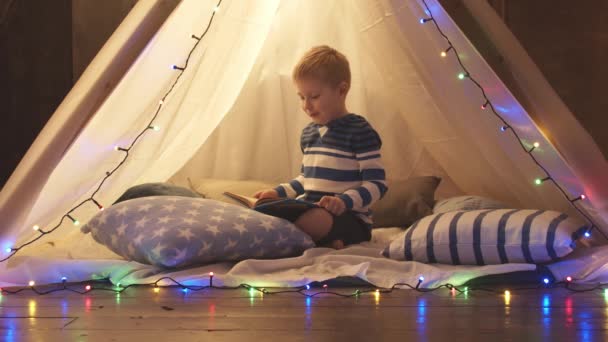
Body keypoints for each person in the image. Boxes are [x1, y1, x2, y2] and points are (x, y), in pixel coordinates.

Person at [254, 45, 388, 249]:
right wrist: (277, 193)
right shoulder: (309, 133)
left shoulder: (360, 131)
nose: (306, 105)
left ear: (341, 90)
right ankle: (323, 239)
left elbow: (378, 184)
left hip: (348, 218)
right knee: (262, 207)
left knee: (315, 219)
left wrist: (344, 201)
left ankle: (322, 237)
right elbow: (305, 179)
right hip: (310, 207)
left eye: (314, 96)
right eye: (301, 97)